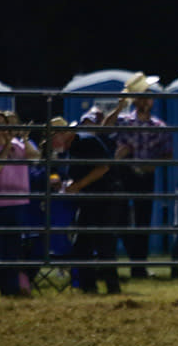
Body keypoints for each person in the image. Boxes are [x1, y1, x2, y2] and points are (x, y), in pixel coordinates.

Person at [104, 73, 173, 279]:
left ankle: (138, 267)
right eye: (141, 97)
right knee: (123, 220)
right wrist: (118, 107)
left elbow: (168, 154)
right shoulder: (124, 120)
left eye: (147, 97)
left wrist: (153, 165)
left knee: (142, 221)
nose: (145, 100)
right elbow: (104, 129)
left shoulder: (159, 126)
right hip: (125, 174)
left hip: (145, 175)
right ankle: (135, 263)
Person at [50, 117, 124, 294]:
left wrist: (77, 185)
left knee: (103, 244)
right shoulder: (73, 147)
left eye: (53, 136)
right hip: (90, 199)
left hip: (104, 197)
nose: (52, 142)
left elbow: (103, 167)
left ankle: (109, 287)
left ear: (63, 134)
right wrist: (68, 184)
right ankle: (90, 286)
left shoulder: (86, 141)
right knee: (84, 244)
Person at [0, 110, 40, 296]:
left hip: (16, 203)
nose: (2, 128)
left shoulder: (18, 146)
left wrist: (24, 139)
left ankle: (10, 289)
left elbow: (35, 156)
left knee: (12, 251)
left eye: (3, 124)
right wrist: (7, 145)